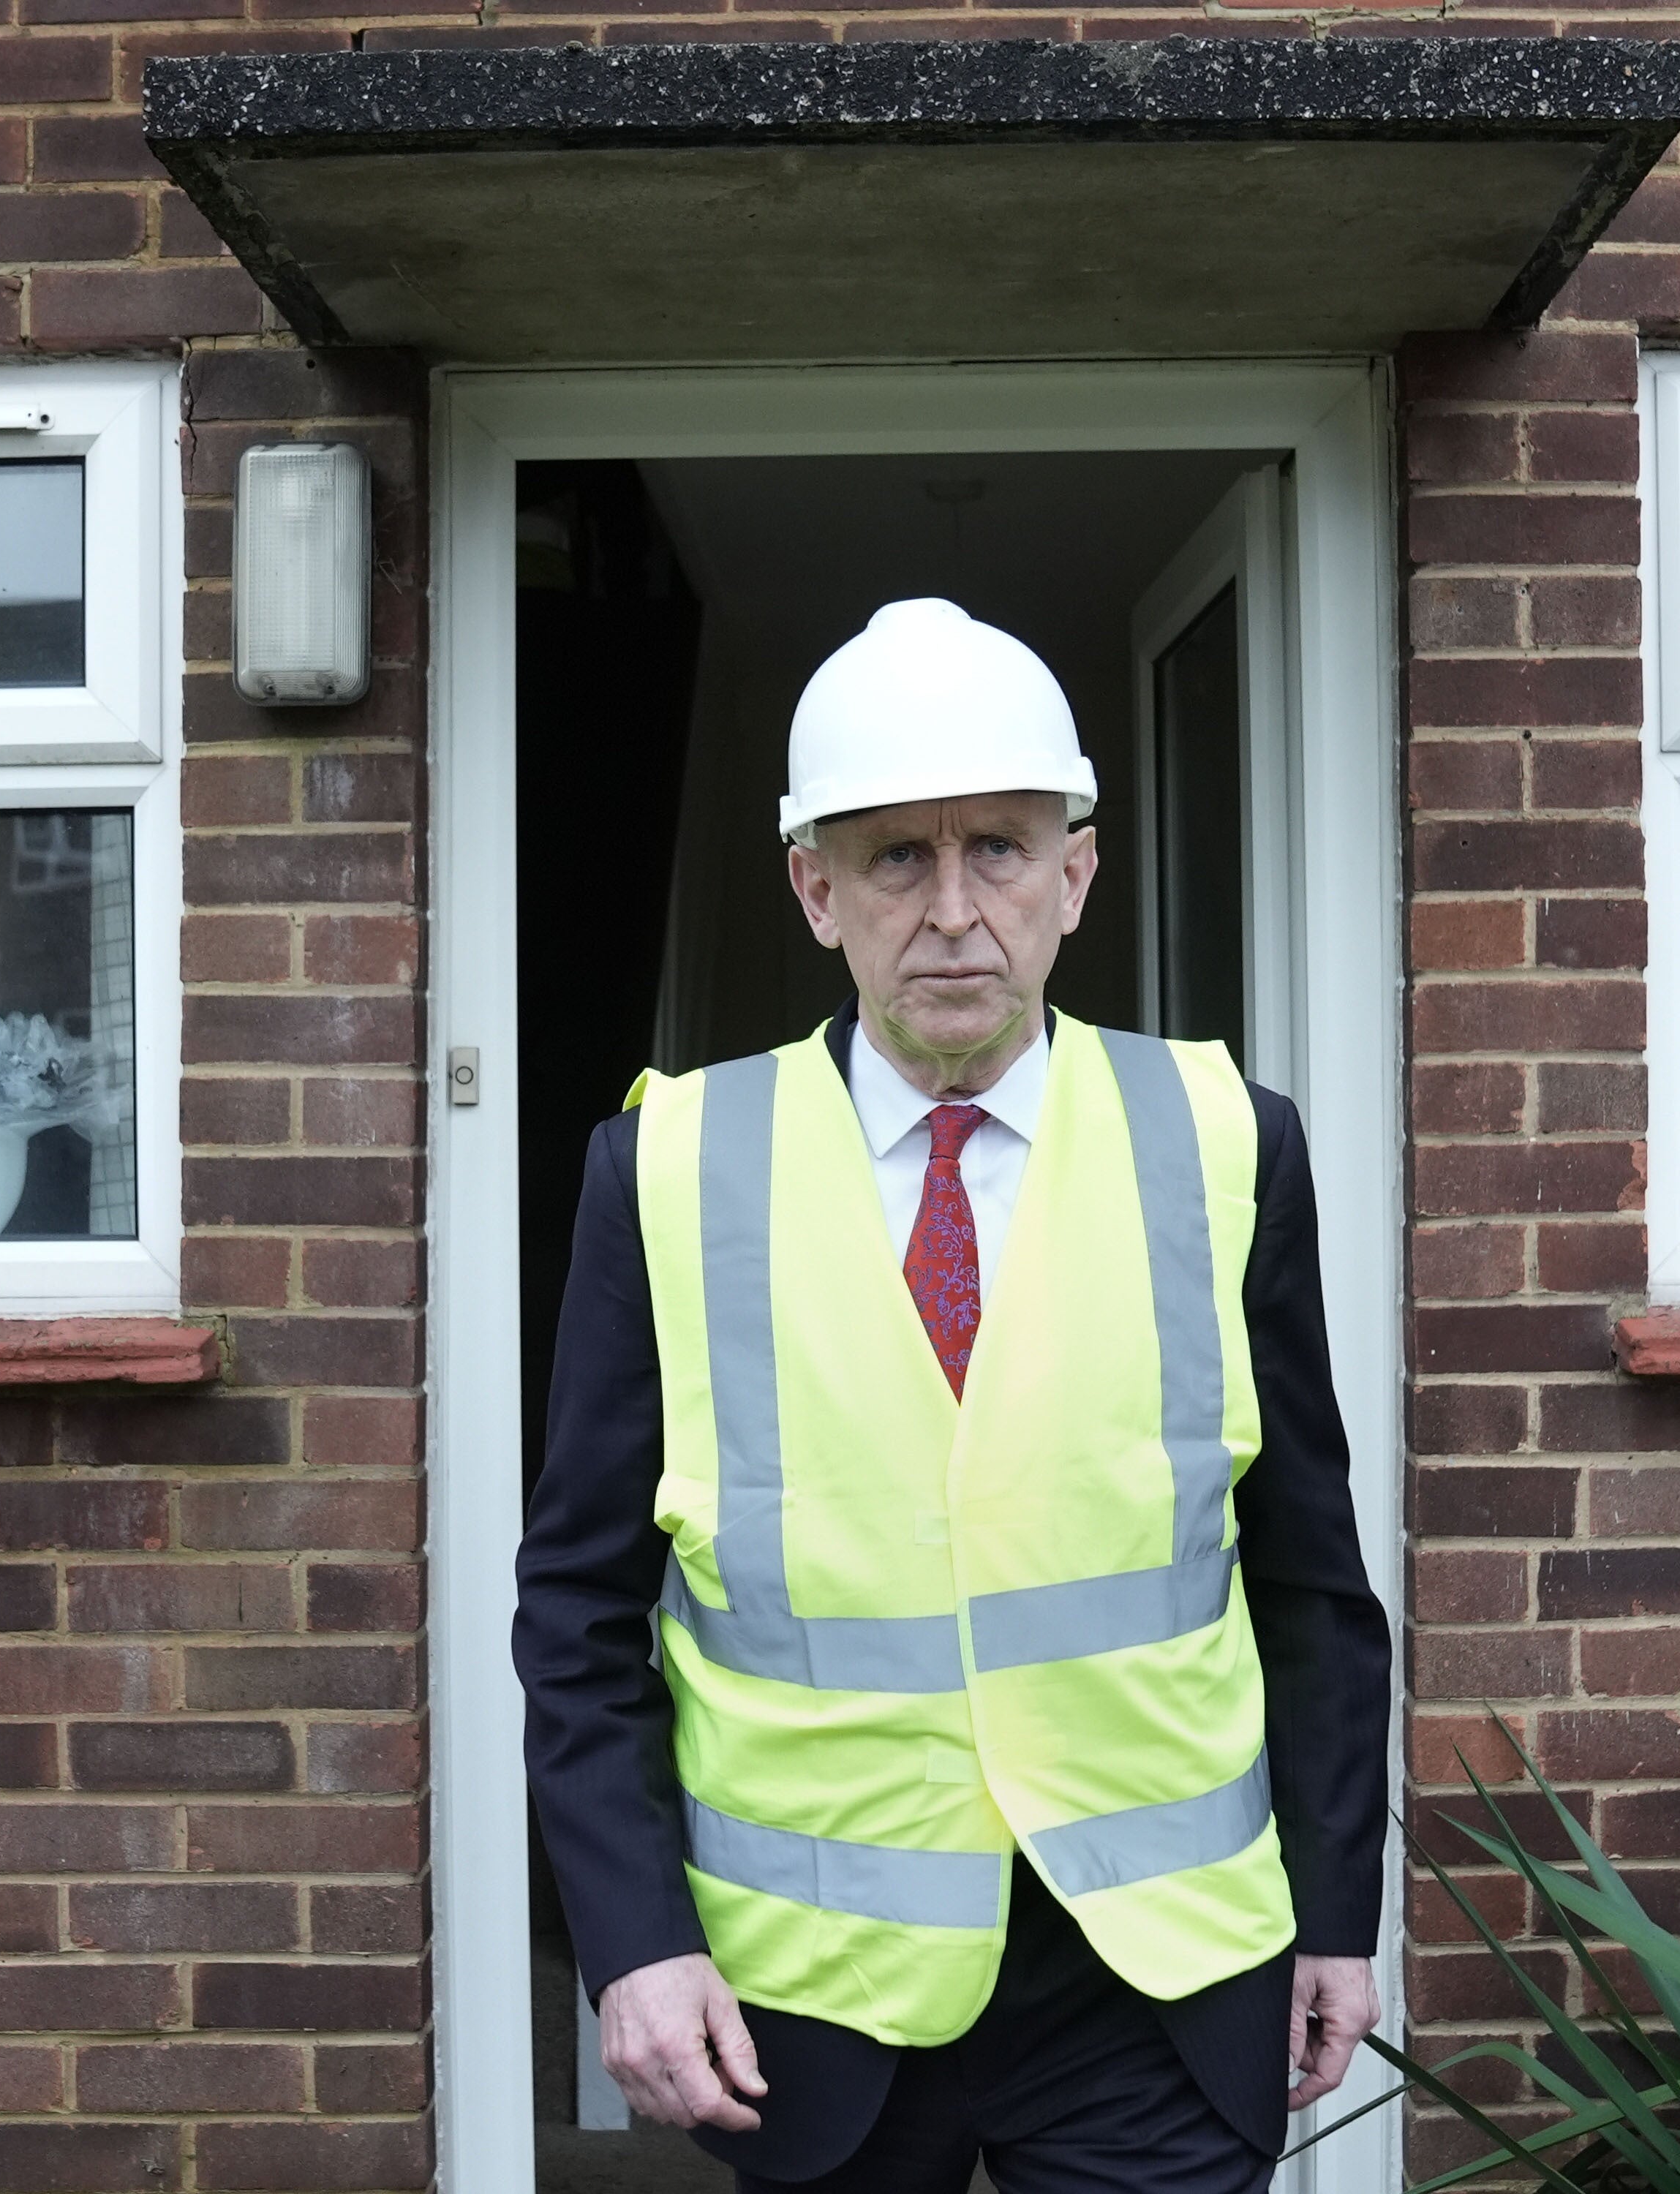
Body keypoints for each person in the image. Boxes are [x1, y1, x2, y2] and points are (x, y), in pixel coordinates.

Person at [516, 597, 1391, 2193]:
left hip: (1155, 1975)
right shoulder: (662, 1168)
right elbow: (578, 1605)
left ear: (1077, 871)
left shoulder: (1225, 1143)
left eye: (997, 846)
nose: (953, 910)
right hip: (817, 2000)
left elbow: (1310, 1580)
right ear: (813, 889)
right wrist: (630, 1945)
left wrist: (1339, 1911)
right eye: (895, 858)